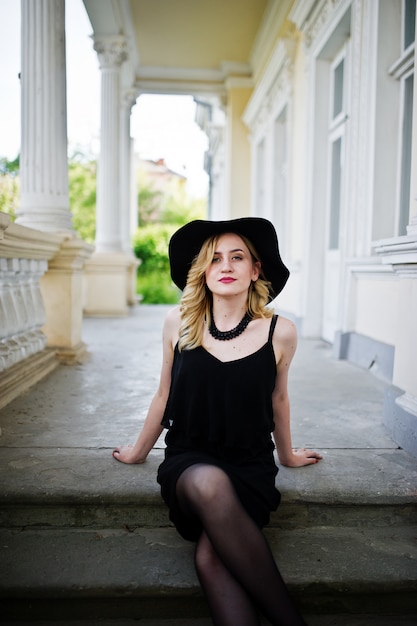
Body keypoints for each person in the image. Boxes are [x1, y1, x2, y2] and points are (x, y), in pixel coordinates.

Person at [113, 217, 322, 626]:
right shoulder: (180, 324)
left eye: (237, 257)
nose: (225, 266)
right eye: (214, 259)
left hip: (249, 465)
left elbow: (279, 399)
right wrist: (138, 452)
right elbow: (163, 395)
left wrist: (288, 456)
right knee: (209, 482)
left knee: (211, 559)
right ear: (203, 272)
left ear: (255, 270)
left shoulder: (281, 332)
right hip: (191, 460)